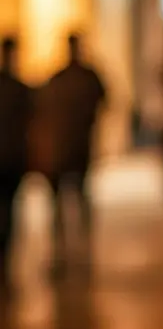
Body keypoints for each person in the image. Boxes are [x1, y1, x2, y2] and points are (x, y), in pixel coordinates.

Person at [34, 34, 106, 273]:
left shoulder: (69, 78)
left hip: (72, 148)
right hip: (70, 148)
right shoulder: (78, 77)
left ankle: (73, 250)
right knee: (71, 200)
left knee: (72, 199)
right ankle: (69, 250)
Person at [0, 37, 32, 295]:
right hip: (12, 158)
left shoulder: (21, 89)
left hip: (12, 159)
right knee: (9, 212)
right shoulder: (20, 89)